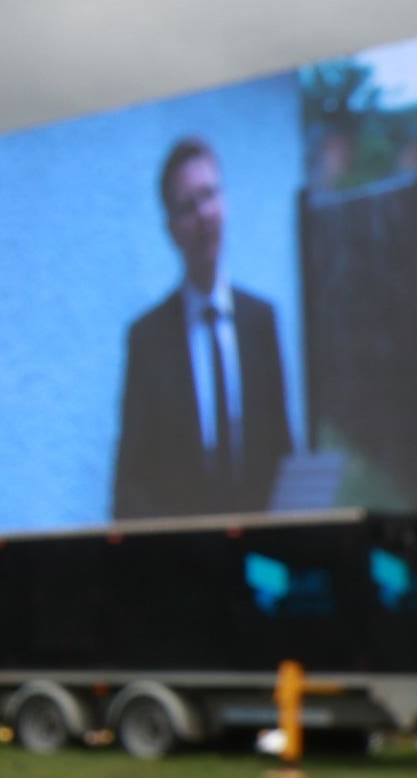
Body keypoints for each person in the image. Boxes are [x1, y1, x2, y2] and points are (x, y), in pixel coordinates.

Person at [111, 134, 296, 521]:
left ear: (225, 204)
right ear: (171, 229)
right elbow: (128, 485)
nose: (204, 214)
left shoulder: (261, 322)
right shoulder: (147, 339)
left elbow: (282, 454)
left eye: (210, 195)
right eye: (188, 206)